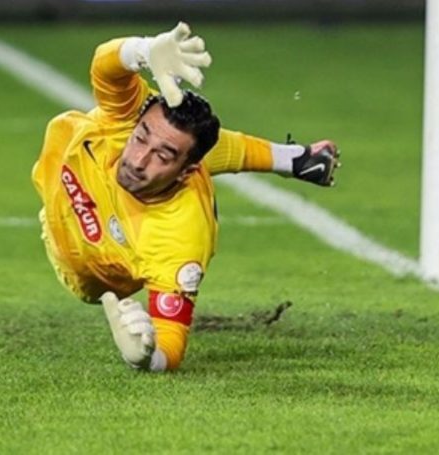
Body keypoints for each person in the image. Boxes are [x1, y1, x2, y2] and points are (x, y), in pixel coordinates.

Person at [32, 22, 340, 372]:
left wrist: (144, 356)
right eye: (141, 138)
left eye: (160, 157)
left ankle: (289, 159)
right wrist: (146, 49)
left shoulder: (181, 238)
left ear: (186, 173)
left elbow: (171, 346)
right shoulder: (128, 118)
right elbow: (105, 65)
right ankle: (296, 159)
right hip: (61, 184)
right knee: (187, 139)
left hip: (91, 269)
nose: (138, 160)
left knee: (193, 149)